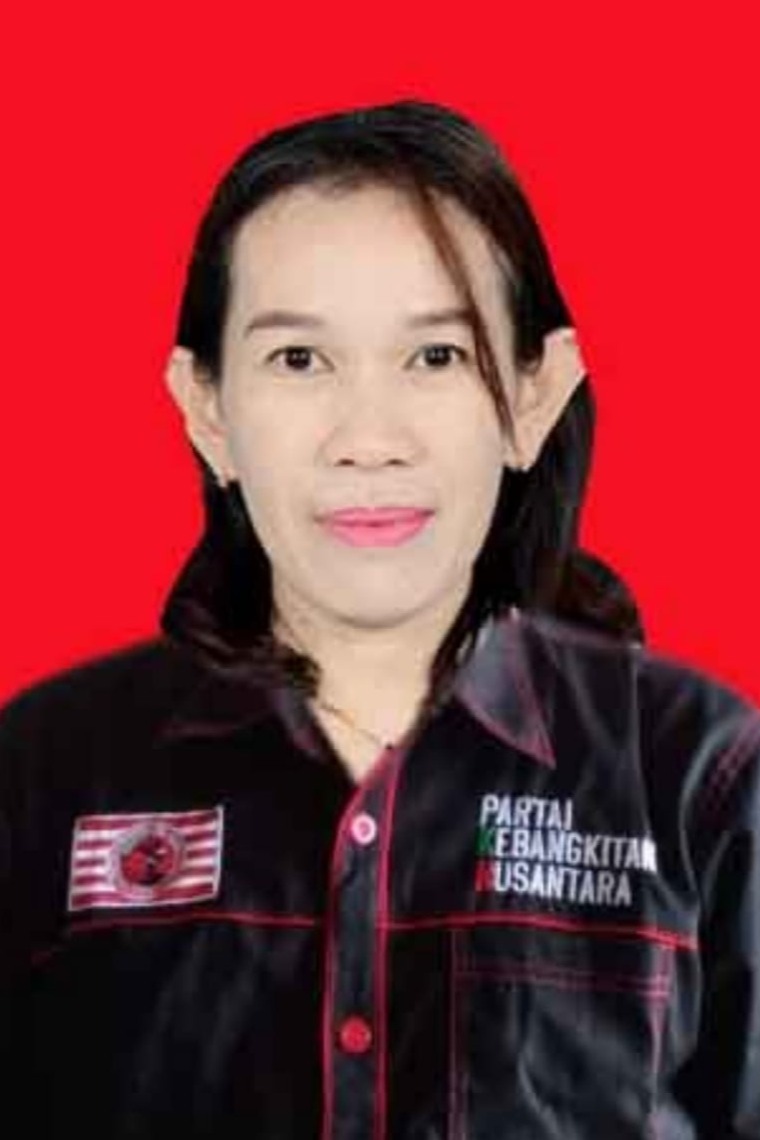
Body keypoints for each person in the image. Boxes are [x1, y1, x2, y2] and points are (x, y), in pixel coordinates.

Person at [1, 99, 758, 1139]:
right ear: (206, 409)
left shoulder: (698, 772)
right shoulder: (43, 770)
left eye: (436, 356)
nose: (368, 438)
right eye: (298, 360)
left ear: (533, 397)